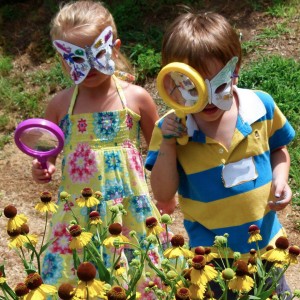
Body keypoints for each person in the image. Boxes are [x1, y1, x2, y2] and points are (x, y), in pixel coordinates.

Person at [145, 9, 295, 298]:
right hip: (212, 256)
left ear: (235, 70)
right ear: (173, 82)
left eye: (218, 85)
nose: (207, 100)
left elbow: (279, 149)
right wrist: (168, 144)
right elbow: (163, 194)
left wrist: (281, 179)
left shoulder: (259, 106)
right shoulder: (171, 128)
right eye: (193, 88)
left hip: (267, 244)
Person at [31, 1, 163, 297]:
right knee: (79, 282)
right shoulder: (60, 105)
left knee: (137, 280)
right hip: (78, 215)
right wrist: (43, 166)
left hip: (128, 210)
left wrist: (167, 194)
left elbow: (160, 152)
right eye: (75, 58)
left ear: (115, 48)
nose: (88, 65)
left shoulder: (137, 98)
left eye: (96, 53)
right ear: (62, 60)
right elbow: (46, 153)